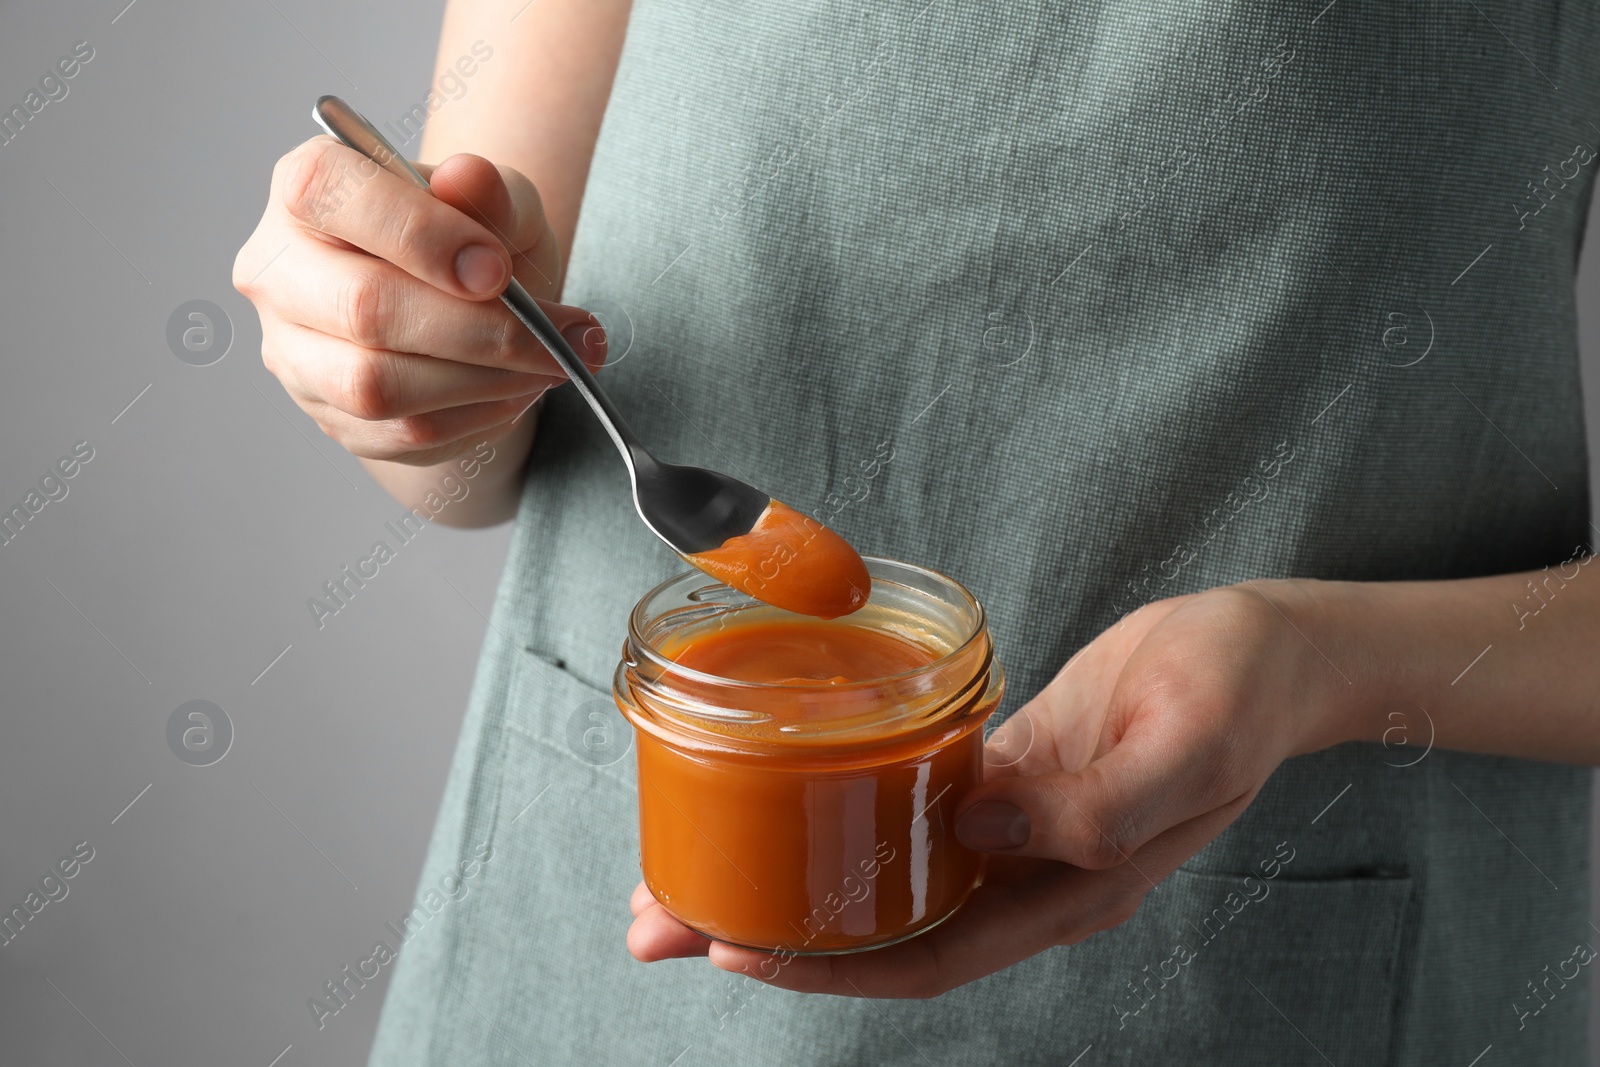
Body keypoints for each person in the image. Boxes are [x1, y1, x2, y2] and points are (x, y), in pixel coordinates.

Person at [234, 0, 1600, 1062]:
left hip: (1269, 972)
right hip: (609, 954)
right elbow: (481, 445)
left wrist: (1324, 661)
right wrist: (407, 360)